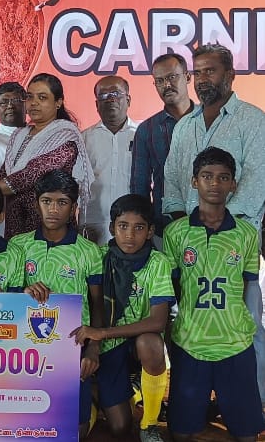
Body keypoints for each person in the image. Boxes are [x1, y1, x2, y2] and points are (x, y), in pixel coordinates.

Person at [162, 43, 265, 410]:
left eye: (211, 71)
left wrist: (220, 228)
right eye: (199, 72)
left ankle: (253, 401)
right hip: (189, 243)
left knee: (246, 322)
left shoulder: (252, 120)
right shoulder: (185, 126)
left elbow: (255, 181)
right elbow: (173, 180)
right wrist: (185, 229)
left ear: (230, 75)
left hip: (236, 243)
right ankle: (193, 401)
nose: (203, 79)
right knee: (185, 321)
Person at [163, 147, 265, 441]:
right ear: (194, 181)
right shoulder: (176, 233)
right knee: (181, 432)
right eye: (207, 176)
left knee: (247, 435)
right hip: (190, 341)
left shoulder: (246, 233)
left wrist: (251, 330)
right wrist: (172, 330)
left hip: (235, 343)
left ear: (233, 184)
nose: (215, 183)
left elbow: (250, 286)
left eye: (223, 177)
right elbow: (172, 289)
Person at [71, 194, 174, 442]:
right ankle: (99, 395)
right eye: (123, 226)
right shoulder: (99, 256)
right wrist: (96, 344)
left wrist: (102, 333)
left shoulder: (157, 262)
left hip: (135, 341)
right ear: (111, 228)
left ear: (150, 232)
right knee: (119, 427)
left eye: (139, 228)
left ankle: (149, 423)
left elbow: (158, 321)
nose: (130, 235)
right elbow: (92, 304)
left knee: (150, 342)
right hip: (108, 347)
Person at [9, 169, 103, 438]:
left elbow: (98, 303)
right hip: (26, 347)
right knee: (25, 424)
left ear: (73, 208)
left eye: (62, 202)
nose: (53, 209)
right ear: (36, 204)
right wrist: (23, 291)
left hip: (73, 346)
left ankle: (90, 403)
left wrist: (93, 349)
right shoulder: (18, 246)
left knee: (75, 432)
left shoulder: (88, 251)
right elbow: (7, 297)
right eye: (46, 201)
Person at [0, 73, 93, 239]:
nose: (34, 103)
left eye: (42, 97)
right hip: (15, 224)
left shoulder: (65, 137)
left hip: (49, 227)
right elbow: (4, 173)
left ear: (58, 102)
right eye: (29, 97)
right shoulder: (19, 135)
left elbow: (26, 177)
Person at [130, 53, 194, 241]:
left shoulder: (210, 121)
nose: (166, 85)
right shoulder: (147, 130)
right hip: (164, 228)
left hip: (210, 226)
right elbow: (139, 187)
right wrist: (144, 230)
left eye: (172, 77)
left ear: (187, 77)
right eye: (159, 81)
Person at [82, 75, 138, 245]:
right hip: (93, 225)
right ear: (96, 105)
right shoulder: (83, 139)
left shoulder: (142, 135)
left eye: (115, 93)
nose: (110, 99)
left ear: (128, 100)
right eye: (103, 95)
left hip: (133, 225)